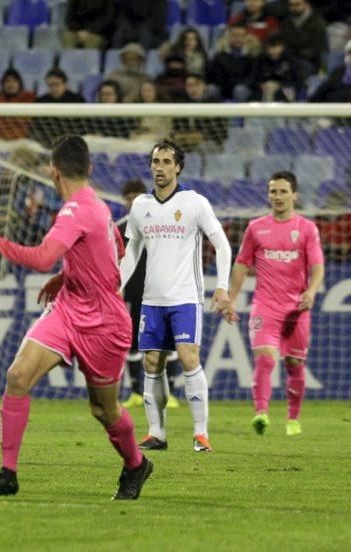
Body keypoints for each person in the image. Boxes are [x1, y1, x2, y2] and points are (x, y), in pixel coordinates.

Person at [0, 135, 152, 500]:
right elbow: (114, 250)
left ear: (53, 172)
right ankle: (8, 473)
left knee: (104, 410)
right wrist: (69, 275)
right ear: (89, 168)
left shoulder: (74, 209)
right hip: (70, 309)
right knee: (18, 376)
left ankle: (136, 464)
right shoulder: (96, 205)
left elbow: (40, 258)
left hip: (104, 323)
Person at [119, 140, 233, 453]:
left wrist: (222, 286)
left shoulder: (194, 202)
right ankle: (156, 433)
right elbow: (131, 251)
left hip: (185, 297)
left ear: (178, 167)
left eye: (167, 161)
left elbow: (222, 244)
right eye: (156, 161)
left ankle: (200, 434)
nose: (160, 167)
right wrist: (114, 286)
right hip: (152, 299)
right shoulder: (141, 206)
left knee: (187, 357)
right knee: (152, 362)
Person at [223, 171, 324, 437]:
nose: (277, 197)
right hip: (265, 306)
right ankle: (261, 414)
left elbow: (317, 266)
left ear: (294, 195)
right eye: (273, 192)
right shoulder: (256, 228)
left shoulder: (306, 229)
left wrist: (311, 291)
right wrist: (231, 300)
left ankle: (293, 418)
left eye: (282, 191)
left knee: (294, 364)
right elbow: (242, 264)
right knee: (265, 359)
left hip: (297, 309)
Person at [117, 179, 182, 410]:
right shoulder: (120, 227)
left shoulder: (161, 224)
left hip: (161, 291)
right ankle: (135, 392)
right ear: (125, 200)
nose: (133, 199)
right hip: (133, 293)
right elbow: (115, 261)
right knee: (133, 341)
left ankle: (171, 393)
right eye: (129, 196)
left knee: (167, 341)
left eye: (137, 195)